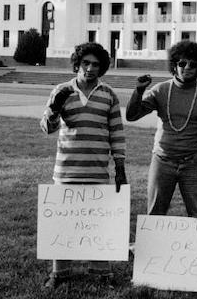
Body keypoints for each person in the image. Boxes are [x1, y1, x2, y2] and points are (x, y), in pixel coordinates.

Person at [40, 42, 127, 289]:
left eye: (96, 64)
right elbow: (48, 129)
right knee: (63, 223)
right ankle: (60, 273)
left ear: (102, 68)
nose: (90, 68)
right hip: (66, 170)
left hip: (98, 171)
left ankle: (101, 273)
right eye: (85, 63)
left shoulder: (109, 94)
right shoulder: (61, 89)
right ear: (77, 64)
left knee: (98, 223)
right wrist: (55, 107)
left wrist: (120, 167)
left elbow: (116, 133)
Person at [126, 40, 197, 218]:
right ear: (174, 65)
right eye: (182, 63)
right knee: (155, 215)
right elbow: (132, 116)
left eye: (193, 64)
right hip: (162, 161)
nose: (187, 68)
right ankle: (154, 246)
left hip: (193, 164)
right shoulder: (160, 90)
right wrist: (139, 91)